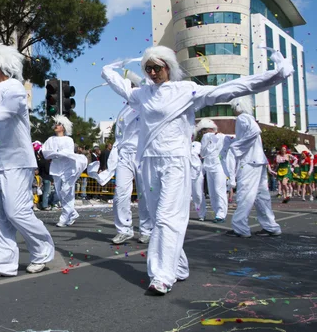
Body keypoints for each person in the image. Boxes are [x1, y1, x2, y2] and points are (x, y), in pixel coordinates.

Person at [101, 46, 293, 295]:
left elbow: (231, 88)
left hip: (175, 162)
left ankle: (161, 275)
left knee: (166, 218)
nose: (152, 73)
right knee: (160, 216)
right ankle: (178, 266)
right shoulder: (142, 94)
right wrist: (107, 71)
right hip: (148, 161)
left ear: (168, 67)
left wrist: (276, 74)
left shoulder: (185, 90)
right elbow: (122, 87)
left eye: (157, 68)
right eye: (148, 68)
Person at [0, 42, 55, 278]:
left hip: (15, 162)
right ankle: (2, 263)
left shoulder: (14, 87)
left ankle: (42, 251)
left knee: (16, 212)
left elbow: (6, 112)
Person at [88, 70, 153, 244]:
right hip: (125, 155)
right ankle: (124, 229)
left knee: (145, 193)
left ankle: (147, 229)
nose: (130, 88)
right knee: (120, 193)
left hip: (143, 154)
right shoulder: (125, 109)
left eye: (133, 85)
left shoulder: (147, 102)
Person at [225, 97, 282, 238]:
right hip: (258, 161)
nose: (233, 110)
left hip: (249, 162)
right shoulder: (249, 118)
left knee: (245, 194)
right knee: (262, 196)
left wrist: (238, 145)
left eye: (233, 107)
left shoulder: (242, 118)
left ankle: (241, 228)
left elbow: (255, 131)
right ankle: (271, 226)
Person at [41, 115, 87, 228]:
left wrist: (56, 153)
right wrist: (56, 153)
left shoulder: (68, 140)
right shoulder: (50, 140)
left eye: (59, 123)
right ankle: (72, 214)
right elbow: (45, 152)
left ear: (64, 127)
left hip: (67, 169)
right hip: (56, 169)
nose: (56, 125)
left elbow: (68, 153)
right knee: (60, 193)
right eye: (56, 123)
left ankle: (64, 218)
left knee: (67, 192)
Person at [197, 119, 228, 224]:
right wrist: (207, 138)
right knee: (212, 192)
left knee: (219, 190)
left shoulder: (222, 137)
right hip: (209, 167)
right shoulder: (206, 139)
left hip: (219, 167)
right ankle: (217, 213)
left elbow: (231, 142)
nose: (203, 133)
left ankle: (221, 213)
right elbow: (202, 152)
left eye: (204, 131)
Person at [190, 141, 206, 221]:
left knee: (198, 195)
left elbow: (202, 154)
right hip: (186, 173)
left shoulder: (196, 144)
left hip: (197, 173)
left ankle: (201, 213)